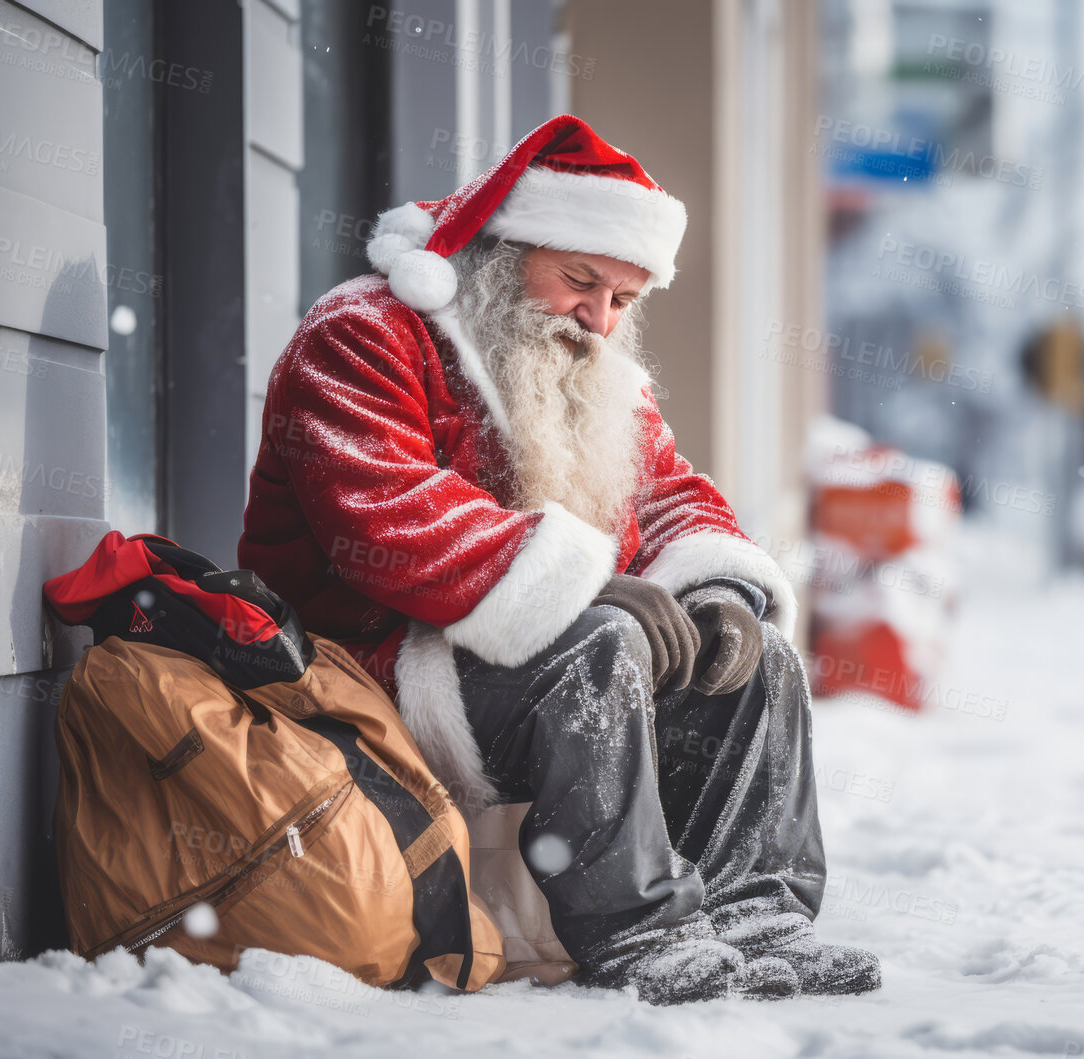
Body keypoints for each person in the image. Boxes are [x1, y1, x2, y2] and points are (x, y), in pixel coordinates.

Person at [238, 115, 879, 1004]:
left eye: (625, 298)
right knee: (599, 641)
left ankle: (753, 909)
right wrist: (584, 584)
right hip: (376, 665)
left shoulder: (592, 362)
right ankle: (642, 935)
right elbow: (386, 519)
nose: (600, 319)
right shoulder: (357, 335)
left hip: (529, 654)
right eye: (581, 281)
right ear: (501, 249)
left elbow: (666, 495)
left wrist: (721, 584)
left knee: (755, 654)